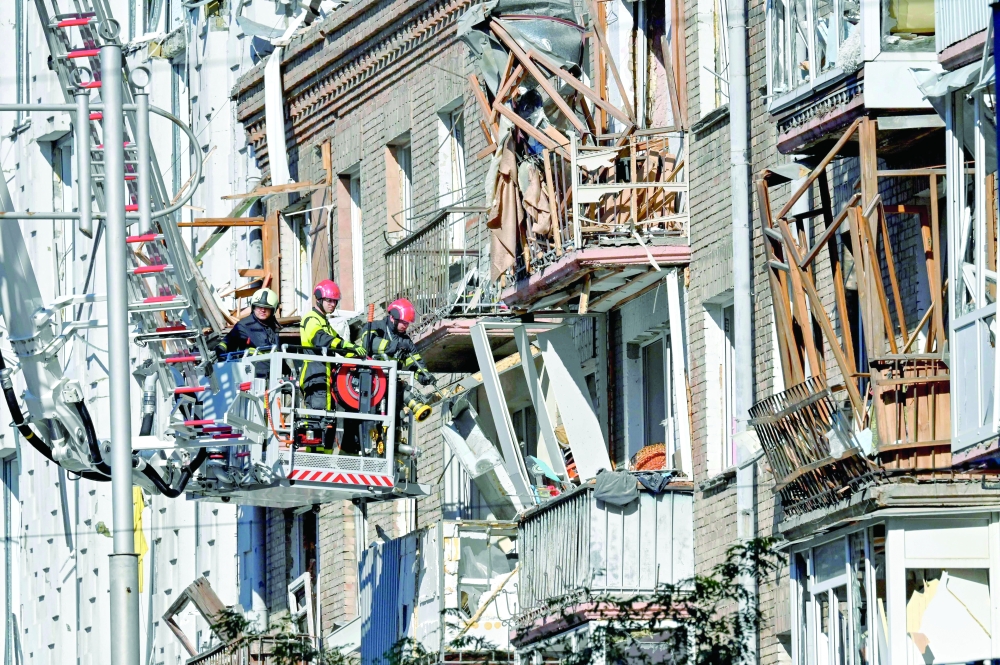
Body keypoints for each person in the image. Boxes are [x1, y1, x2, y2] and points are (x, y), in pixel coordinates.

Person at [299, 279, 367, 410]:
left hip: (324, 373)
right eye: (329, 300)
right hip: (314, 373)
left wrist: (357, 355)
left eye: (335, 301)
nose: (333, 304)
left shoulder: (324, 322)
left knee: (326, 416)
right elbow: (320, 339)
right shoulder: (311, 318)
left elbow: (339, 343)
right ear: (319, 299)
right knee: (317, 417)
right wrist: (345, 345)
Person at [359, 298, 434, 387]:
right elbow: (369, 343)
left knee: (409, 395)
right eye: (403, 322)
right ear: (392, 317)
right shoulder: (376, 326)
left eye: (407, 323)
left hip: (391, 383)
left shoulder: (406, 342)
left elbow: (415, 363)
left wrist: (424, 377)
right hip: (370, 379)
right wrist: (395, 346)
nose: (405, 326)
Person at [215, 288, 280, 377]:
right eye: (259, 306)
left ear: (273, 309)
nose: (263, 310)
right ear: (253, 307)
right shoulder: (244, 325)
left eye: (267, 308)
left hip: (274, 373)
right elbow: (228, 341)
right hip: (252, 374)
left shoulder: (274, 327)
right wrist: (220, 350)